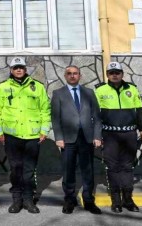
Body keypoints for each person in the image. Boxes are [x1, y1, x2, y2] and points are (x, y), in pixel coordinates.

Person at [0, 57, 51, 214]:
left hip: (32, 136)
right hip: (11, 136)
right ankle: (16, 200)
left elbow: (45, 109)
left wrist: (44, 130)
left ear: (25, 69)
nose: (18, 70)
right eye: (15, 68)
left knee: (29, 171)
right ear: (11, 70)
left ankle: (29, 200)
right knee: (15, 169)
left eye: (21, 67)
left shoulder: (37, 87)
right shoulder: (2, 88)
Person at [94, 61, 142, 213]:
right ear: (107, 75)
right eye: (111, 73)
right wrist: (97, 135)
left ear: (122, 74)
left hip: (129, 134)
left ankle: (128, 200)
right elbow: (95, 115)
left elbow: (139, 110)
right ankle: (116, 201)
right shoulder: (100, 90)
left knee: (128, 167)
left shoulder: (132, 89)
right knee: (113, 167)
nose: (114, 75)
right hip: (109, 135)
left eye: (117, 72)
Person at [51, 65, 102, 215]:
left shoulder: (89, 93)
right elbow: (55, 118)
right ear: (65, 76)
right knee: (68, 171)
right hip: (67, 139)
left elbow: (97, 117)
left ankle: (88, 200)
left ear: (80, 75)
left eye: (75, 73)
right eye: (69, 73)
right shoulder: (58, 93)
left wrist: (97, 136)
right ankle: (69, 200)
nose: (72, 76)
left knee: (88, 170)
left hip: (87, 137)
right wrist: (58, 137)